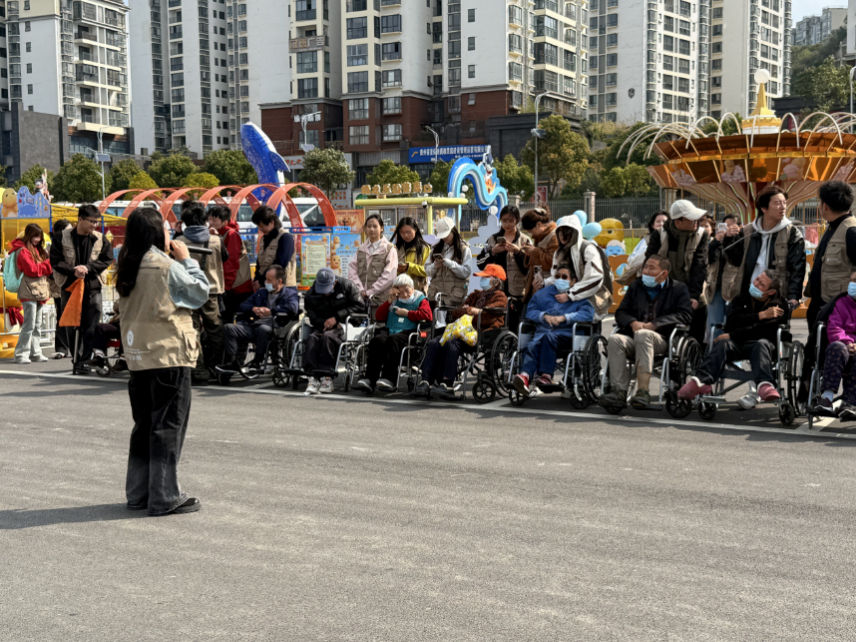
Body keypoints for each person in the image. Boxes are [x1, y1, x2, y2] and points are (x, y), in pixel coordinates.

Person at [115, 207, 209, 516]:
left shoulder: (127, 265)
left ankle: (138, 493)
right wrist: (187, 260)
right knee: (168, 426)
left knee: (144, 426)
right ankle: (165, 495)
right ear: (158, 233)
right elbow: (199, 293)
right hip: (168, 354)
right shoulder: (165, 265)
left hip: (138, 355)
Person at [678, 269, 787, 409]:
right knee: (722, 343)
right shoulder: (742, 298)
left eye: (762, 284)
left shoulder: (779, 306)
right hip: (738, 343)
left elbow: (765, 332)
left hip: (762, 346)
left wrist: (733, 335)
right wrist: (759, 316)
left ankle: (765, 384)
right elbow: (732, 323)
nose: (756, 284)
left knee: (761, 343)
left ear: (771, 292)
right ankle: (701, 381)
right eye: (757, 279)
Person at [599, 256, 693, 410]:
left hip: (663, 339)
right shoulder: (636, 285)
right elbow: (621, 311)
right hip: (635, 336)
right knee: (615, 339)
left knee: (643, 335)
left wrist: (655, 324)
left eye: (651, 268)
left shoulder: (678, 288)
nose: (646, 271)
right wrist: (632, 322)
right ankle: (619, 391)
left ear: (663, 273)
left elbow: (684, 315)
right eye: (645, 267)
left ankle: (643, 391)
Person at [413, 264, 508, 400]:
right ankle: (426, 381)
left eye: (486, 277)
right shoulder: (474, 295)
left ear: (496, 281)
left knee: (451, 344)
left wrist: (473, 312)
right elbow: (456, 314)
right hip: (461, 330)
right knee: (435, 342)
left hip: (480, 333)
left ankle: (447, 384)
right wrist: (471, 311)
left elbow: (488, 318)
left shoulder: (500, 297)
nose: (482, 280)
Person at [800, 181, 856, 401]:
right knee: (814, 351)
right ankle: (814, 391)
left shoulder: (851, 230)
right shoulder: (832, 227)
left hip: (838, 308)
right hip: (820, 303)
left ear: (824, 205)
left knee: (822, 350)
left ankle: (822, 393)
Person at [512, 265, 595, 396]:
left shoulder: (578, 296)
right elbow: (530, 311)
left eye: (564, 277)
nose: (560, 279)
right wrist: (544, 316)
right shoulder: (542, 294)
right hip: (543, 334)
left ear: (573, 281)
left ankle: (546, 376)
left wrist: (564, 318)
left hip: (566, 335)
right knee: (531, 345)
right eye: (557, 276)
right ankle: (525, 376)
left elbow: (588, 314)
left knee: (548, 338)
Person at [49, 204, 114, 372]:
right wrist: (74, 270)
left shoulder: (100, 238)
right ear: (80, 220)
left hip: (93, 287)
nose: (95, 225)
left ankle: (85, 360)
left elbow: (107, 259)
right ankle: (77, 359)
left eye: (97, 222)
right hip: (69, 287)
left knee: (92, 325)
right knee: (71, 325)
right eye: (91, 221)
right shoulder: (61, 237)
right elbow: (55, 260)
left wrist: (88, 268)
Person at [721, 186, 805, 310]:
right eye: (777, 203)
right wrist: (728, 239)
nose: (782, 207)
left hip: (776, 296)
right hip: (748, 294)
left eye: (784, 203)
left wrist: (793, 296)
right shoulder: (748, 231)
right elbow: (735, 260)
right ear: (764, 208)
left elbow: (797, 268)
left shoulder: (792, 233)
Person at [173, 205, 228, 383]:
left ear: (185, 222)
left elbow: (172, 260)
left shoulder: (180, 241)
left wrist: (176, 233)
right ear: (205, 221)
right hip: (212, 290)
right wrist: (216, 236)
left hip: (188, 291)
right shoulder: (216, 240)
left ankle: (198, 369)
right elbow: (225, 257)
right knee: (215, 329)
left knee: (192, 330)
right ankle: (218, 366)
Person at [645, 199, 709, 345]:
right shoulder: (659, 235)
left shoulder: (701, 235)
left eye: (697, 218)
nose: (696, 221)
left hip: (692, 287)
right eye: (691, 218)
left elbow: (699, 266)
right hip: (664, 288)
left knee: (699, 311)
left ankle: (697, 351)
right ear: (678, 222)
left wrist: (693, 295)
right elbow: (649, 265)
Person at [355, 273, 433, 393]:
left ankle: (389, 378)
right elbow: (379, 316)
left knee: (393, 340)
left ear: (413, 288)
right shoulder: (394, 300)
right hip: (390, 329)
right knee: (377, 340)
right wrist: (389, 300)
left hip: (408, 332)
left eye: (407, 291)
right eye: (400, 292)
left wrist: (407, 313)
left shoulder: (420, 299)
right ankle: (370, 379)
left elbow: (428, 316)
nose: (404, 295)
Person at [218, 265, 299, 374]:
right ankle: (232, 362)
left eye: (269, 280)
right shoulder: (262, 292)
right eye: (266, 279)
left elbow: (293, 308)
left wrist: (271, 311)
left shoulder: (290, 294)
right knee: (228, 328)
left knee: (263, 329)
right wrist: (254, 309)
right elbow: (242, 306)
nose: (266, 282)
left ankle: (257, 361)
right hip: (253, 325)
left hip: (274, 328)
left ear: (279, 281)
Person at [303, 266, 365, 394]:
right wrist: (325, 322)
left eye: (327, 288)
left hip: (344, 325)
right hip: (322, 326)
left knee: (328, 338)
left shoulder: (348, 286)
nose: (325, 293)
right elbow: (312, 315)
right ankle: (312, 377)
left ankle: (327, 377)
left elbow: (359, 306)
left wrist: (337, 318)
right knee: (312, 339)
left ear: (335, 282)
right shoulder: (311, 294)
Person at [550, 214, 613, 319]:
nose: (562, 236)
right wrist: (543, 283)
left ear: (575, 233)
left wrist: (570, 295)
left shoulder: (588, 249)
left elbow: (595, 278)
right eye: (560, 233)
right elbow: (555, 276)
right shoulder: (559, 252)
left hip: (590, 300)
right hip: (566, 300)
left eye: (566, 232)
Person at [813, 271, 856, 419]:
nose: (853, 284)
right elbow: (834, 328)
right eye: (852, 280)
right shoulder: (840, 303)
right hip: (841, 347)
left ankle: (849, 403)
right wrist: (848, 343)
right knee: (836, 347)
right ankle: (827, 398)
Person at [476, 204, 531, 311]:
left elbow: (529, 268)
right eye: (504, 221)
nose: (507, 224)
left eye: (511, 220)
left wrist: (518, 252)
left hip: (518, 292)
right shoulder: (493, 239)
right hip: (496, 290)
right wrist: (493, 252)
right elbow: (480, 263)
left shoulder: (524, 240)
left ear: (517, 220)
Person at [11, 223, 52, 364]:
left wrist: (45, 265)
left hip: (37, 290)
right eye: (35, 236)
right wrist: (48, 264)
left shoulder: (36, 249)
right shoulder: (23, 251)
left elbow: (36, 269)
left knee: (37, 324)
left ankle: (35, 352)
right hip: (29, 291)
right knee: (29, 324)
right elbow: (32, 270)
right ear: (29, 235)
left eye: (39, 237)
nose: (38, 239)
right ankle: (21, 354)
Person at [348, 214, 398, 319]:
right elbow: (352, 271)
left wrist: (371, 291)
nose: (371, 229)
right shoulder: (360, 249)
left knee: (379, 326)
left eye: (375, 226)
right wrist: (360, 290)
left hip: (381, 300)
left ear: (382, 228)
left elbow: (389, 276)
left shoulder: (389, 249)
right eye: (369, 226)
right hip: (361, 300)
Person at [209, 205, 253, 323]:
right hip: (230, 284)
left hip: (237, 286)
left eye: (214, 220)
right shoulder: (217, 234)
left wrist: (226, 287)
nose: (211, 223)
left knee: (231, 320)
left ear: (225, 222)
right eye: (209, 219)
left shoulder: (231, 235)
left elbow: (231, 262)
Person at [425, 216, 472, 311]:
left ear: (453, 230)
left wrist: (451, 264)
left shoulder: (464, 249)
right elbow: (427, 271)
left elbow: (466, 272)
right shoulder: (435, 249)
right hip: (436, 297)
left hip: (455, 298)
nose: (444, 237)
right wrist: (435, 266)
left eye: (446, 234)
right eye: (442, 235)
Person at [706, 213, 741, 339]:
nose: (728, 229)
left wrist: (732, 239)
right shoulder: (716, 242)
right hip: (715, 286)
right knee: (714, 323)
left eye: (732, 226)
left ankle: (728, 347)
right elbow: (707, 259)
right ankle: (713, 346)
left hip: (733, 287)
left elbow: (737, 260)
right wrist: (716, 242)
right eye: (726, 226)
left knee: (733, 321)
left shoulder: (742, 240)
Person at [252, 205, 296, 291]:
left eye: (262, 226)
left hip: (283, 288)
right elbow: (259, 263)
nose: (261, 229)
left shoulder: (285, 237)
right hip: (266, 286)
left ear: (272, 223)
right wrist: (257, 279)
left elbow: (280, 264)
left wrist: (261, 281)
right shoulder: (263, 239)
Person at [519, 207, 558, 302]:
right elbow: (535, 259)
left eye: (531, 231)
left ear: (539, 225)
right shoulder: (540, 236)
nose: (532, 235)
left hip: (548, 286)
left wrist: (535, 251)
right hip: (536, 284)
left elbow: (553, 261)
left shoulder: (554, 236)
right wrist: (529, 254)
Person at [621, 210, 669, 283]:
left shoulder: (673, 240)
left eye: (664, 222)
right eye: (658, 221)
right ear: (653, 225)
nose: (661, 224)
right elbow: (632, 261)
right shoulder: (645, 240)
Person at [48, 218, 73, 359]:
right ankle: (61, 348)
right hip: (59, 286)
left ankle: (78, 347)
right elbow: (50, 267)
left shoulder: (73, 243)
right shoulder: (54, 246)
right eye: (68, 230)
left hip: (74, 284)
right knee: (62, 316)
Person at [390, 217, 431, 292]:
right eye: (402, 232)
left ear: (415, 229)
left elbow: (428, 270)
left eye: (409, 232)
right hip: (400, 291)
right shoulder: (396, 248)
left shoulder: (424, 248)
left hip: (418, 291)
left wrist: (409, 267)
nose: (405, 235)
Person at [86, 303, 128, 374]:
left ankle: (123, 360)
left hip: (130, 324)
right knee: (100, 328)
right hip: (117, 322)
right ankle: (99, 357)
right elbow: (116, 305)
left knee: (125, 329)